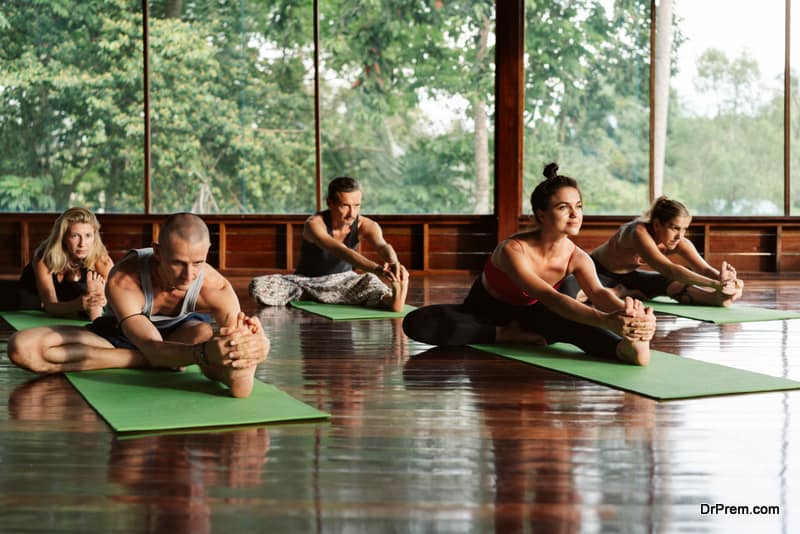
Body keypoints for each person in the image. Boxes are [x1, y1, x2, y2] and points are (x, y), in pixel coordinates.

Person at [402, 163, 656, 366]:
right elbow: (547, 295)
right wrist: (605, 320)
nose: (575, 214)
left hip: (537, 317)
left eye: (578, 206)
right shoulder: (513, 250)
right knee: (418, 322)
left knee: (576, 325)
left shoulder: (578, 257)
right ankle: (504, 336)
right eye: (563, 207)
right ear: (541, 214)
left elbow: (598, 293)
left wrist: (629, 315)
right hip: (487, 314)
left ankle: (626, 349)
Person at [7, 213, 270, 398]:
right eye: (178, 263)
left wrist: (254, 345)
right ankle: (154, 360)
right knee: (22, 348)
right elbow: (154, 347)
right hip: (119, 335)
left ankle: (178, 360)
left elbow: (238, 340)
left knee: (206, 336)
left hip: (182, 335)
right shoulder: (124, 279)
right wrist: (200, 354)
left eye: (198, 262)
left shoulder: (216, 286)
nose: (188, 275)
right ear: (157, 252)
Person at [249, 176, 409, 311]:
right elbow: (341, 251)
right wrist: (378, 269)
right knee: (258, 286)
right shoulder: (314, 224)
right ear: (330, 203)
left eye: (357, 206)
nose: (352, 213)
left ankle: (394, 296)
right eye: (345, 206)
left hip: (344, 281)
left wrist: (394, 263)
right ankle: (328, 297)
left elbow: (382, 246)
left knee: (369, 282)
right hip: (307, 282)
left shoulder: (367, 225)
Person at [564, 196, 744, 307]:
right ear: (657, 225)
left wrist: (725, 282)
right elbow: (669, 269)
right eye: (675, 228)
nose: (679, 235)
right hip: (597, 271)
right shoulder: (637, 232)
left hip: (629, 277)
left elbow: (704, 270)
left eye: (684, 229)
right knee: (567, 291)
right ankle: (617, 293)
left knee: (673, 284)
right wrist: (714, 283)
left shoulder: (679, 241)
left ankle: (715, 299)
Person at [0, 207, 112, 320]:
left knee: (87, 293)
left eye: (88, 235)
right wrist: (78, 304)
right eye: (75, 236)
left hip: (71, 302)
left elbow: (116, 296)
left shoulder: (102, 261)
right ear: (63, 237)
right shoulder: (43, 258)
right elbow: (50, 305)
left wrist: (102, 299)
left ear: (94, 236)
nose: (82, 244)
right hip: (30, 301)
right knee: (26, 301)